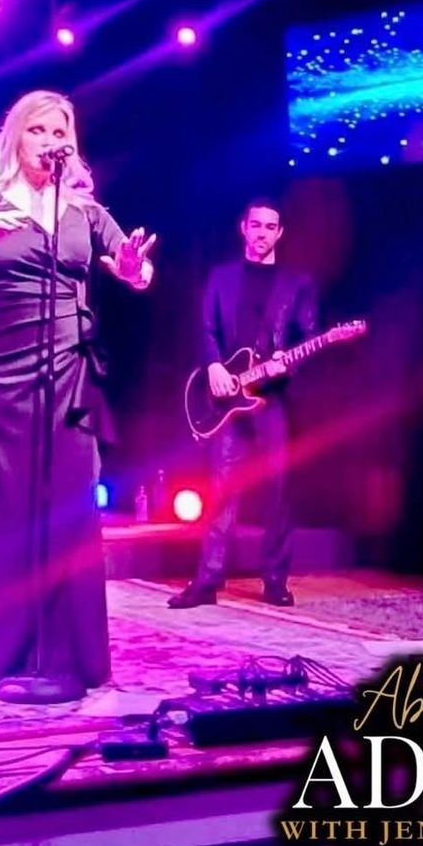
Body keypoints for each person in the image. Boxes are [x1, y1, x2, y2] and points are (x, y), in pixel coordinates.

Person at [0, 89, 155, 699]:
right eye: (39, 130)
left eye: (60, 132)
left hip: (72, 363)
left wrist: (133, 267)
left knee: (70, 495)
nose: (51, 141)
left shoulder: (84, 211)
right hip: (3, 366)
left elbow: (134, 269)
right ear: (16, 138)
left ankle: (66, 657)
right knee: (9, 497)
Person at [169, 198, 318, 609]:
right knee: (221, 489)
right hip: (228, 400)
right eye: (256, 225)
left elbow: (308, 336)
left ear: (280, 233)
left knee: (278, 492)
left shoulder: (297, 283)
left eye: (270, 227)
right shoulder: (221, 277)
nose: (262, 233)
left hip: (273, 401)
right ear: (243, 227)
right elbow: (205, 327)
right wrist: (214, 365)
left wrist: (285, 362)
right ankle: (207, 581)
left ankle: (275, 580)